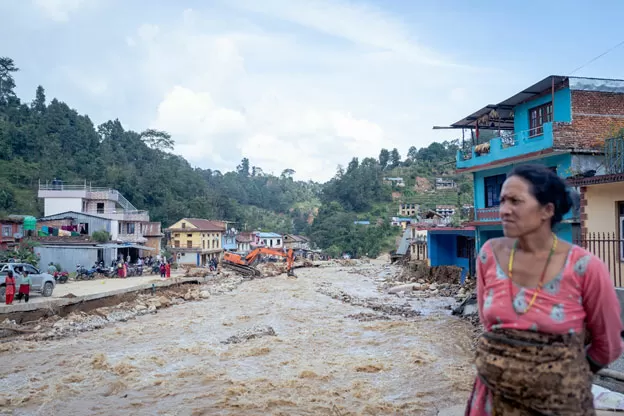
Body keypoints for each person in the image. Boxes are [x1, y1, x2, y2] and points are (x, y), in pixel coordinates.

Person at [466, 164, 624, 415]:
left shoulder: (585, 267)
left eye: (515, 201)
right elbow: (490, 326)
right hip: (492, 400)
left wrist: (561, 375)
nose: (504, 210)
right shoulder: (488, 256)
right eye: (502, 201)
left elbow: (609, 344)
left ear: (547, 210)